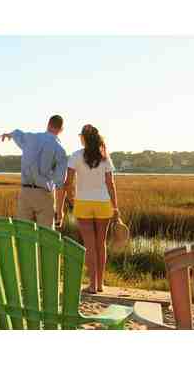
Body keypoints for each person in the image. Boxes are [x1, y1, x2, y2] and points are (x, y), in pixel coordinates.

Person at [56, 124, 120, 293]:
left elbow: (68, 183)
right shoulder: (104, 157)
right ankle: (100, 284)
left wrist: (71, 199)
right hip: (103, 204)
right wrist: (115, 206)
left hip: (83, 203)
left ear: (84, 138)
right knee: (101, 244)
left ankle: (92, 285)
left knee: (90, 246)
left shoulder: (76, 156)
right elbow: (111, 184)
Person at [0, 115, 68, 229]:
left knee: (23, 233)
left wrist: (8, 135)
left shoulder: (30, 138)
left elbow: (17, 133)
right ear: (61, 130)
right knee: (46, 235)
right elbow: (60, 183)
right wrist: (60, 211)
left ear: (48, 124)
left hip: (25, 192)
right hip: (44, 194)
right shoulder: (60, 149)